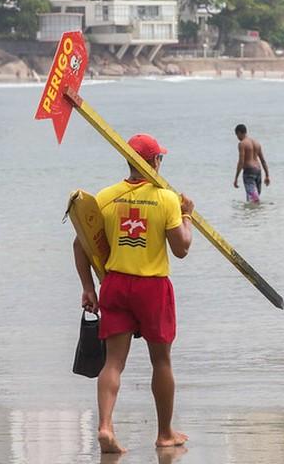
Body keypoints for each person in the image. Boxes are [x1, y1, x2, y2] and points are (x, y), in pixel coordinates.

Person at [73, 134, 194, 454]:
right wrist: (187, 215)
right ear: (154, 162)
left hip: (115, 284)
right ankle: (165, 433)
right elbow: (181, 248)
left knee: (113, 362)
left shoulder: (105, 197)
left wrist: (88, 287)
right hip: (152, 287)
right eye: (159, 159)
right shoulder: (166, 198)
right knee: (161, 361)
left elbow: (79, 244)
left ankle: (105, 427)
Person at [233, 124, 270, 203]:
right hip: (258, 171)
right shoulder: (257, 143)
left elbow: (241, 162)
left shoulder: (242, 144)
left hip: (249, 171)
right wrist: (267, 175)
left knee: (253, 199)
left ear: (239, 133)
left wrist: (236, 178)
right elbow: (263, 161)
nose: (237, 137)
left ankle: (253, 210)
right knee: (254, 197)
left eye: (237, 135)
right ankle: (257, 211)